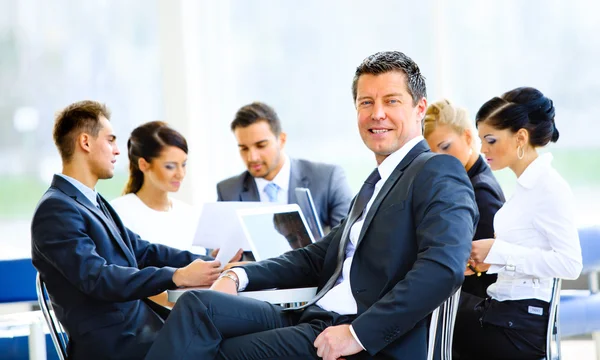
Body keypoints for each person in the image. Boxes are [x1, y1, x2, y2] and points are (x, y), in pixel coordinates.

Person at [146, 51, 478, 360]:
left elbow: (442, 268)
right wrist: (238, 275)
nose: (377, 113)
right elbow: (314, 256)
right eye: (366, 102)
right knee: (197, 307)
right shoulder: (376, 182)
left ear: (420, 109)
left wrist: (357, 334)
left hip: (353, 331)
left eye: (391, 101)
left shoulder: (436, 170)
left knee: (215, 350)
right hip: (314, 314)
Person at [30, 101, 222, 360]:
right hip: (118, 346)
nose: (118, 151)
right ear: (85, 142)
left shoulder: (93, 202)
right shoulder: (55, 209)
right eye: (110, 140)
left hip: (141, 333)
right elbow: (97, 278)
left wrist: (214, 264)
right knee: (241, 344)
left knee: (234, 331)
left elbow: (144, 251)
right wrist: (176, 276)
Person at [453, 87, 583, 360]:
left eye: (490, 140)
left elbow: (570, 264)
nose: (482, 149)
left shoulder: (548, 187)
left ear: (520, 137)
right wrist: (489, 260)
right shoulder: (525, 187)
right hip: (502, 311)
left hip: (519, 326)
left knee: (426, 328)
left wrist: (498, 252)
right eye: (480, 140)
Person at [216, 101, 353, 231]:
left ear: (281, 140)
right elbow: (212, 250)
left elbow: (346, 242)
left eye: (261, 146)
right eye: (244, 148)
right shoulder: (228, 191)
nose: (252, 157)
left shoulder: (328, 179)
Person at [423, 99, 505, 298]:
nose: (439, 159)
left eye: (445, 147)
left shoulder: (481, 193)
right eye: (431, 154)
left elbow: (486, 277)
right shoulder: (462, 185)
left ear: (468, 137)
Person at [111, 121, 204, 253]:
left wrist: (214, 260)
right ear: (143, 164)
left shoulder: (189, 214)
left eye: (183, 164)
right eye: (170, 166)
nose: (181, 174)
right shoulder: (119, 213)